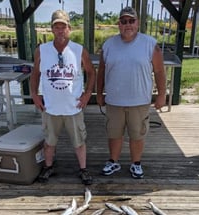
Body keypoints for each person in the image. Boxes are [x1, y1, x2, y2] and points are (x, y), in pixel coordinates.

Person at [96, 6, 166, 179]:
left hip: (139, 101)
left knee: (137, 134)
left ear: (138, 23)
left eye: (131, 21)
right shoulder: (108, 45)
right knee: (114, 134)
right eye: (124, 21)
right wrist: (99, 94)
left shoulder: (150, 44)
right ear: (119, 24)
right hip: (114, 101)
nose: (128, 24)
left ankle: (136, 164)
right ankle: (113, 161)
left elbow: (159, 71)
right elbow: (101, 71)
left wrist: (162, 95)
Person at [30, 9, 95, 185]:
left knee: (79, 141)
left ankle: (83, 168)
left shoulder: (79, 50)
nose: (60, 30)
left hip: (73, 107)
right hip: (50, 107)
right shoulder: (41, 50)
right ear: (51, 29)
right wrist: (34, 94)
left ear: (69, 28)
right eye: (56, 27)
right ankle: (48, 167)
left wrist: (88, 94)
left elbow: (91, 72)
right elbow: (35, 74)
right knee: (49, 141)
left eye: (63, 26)